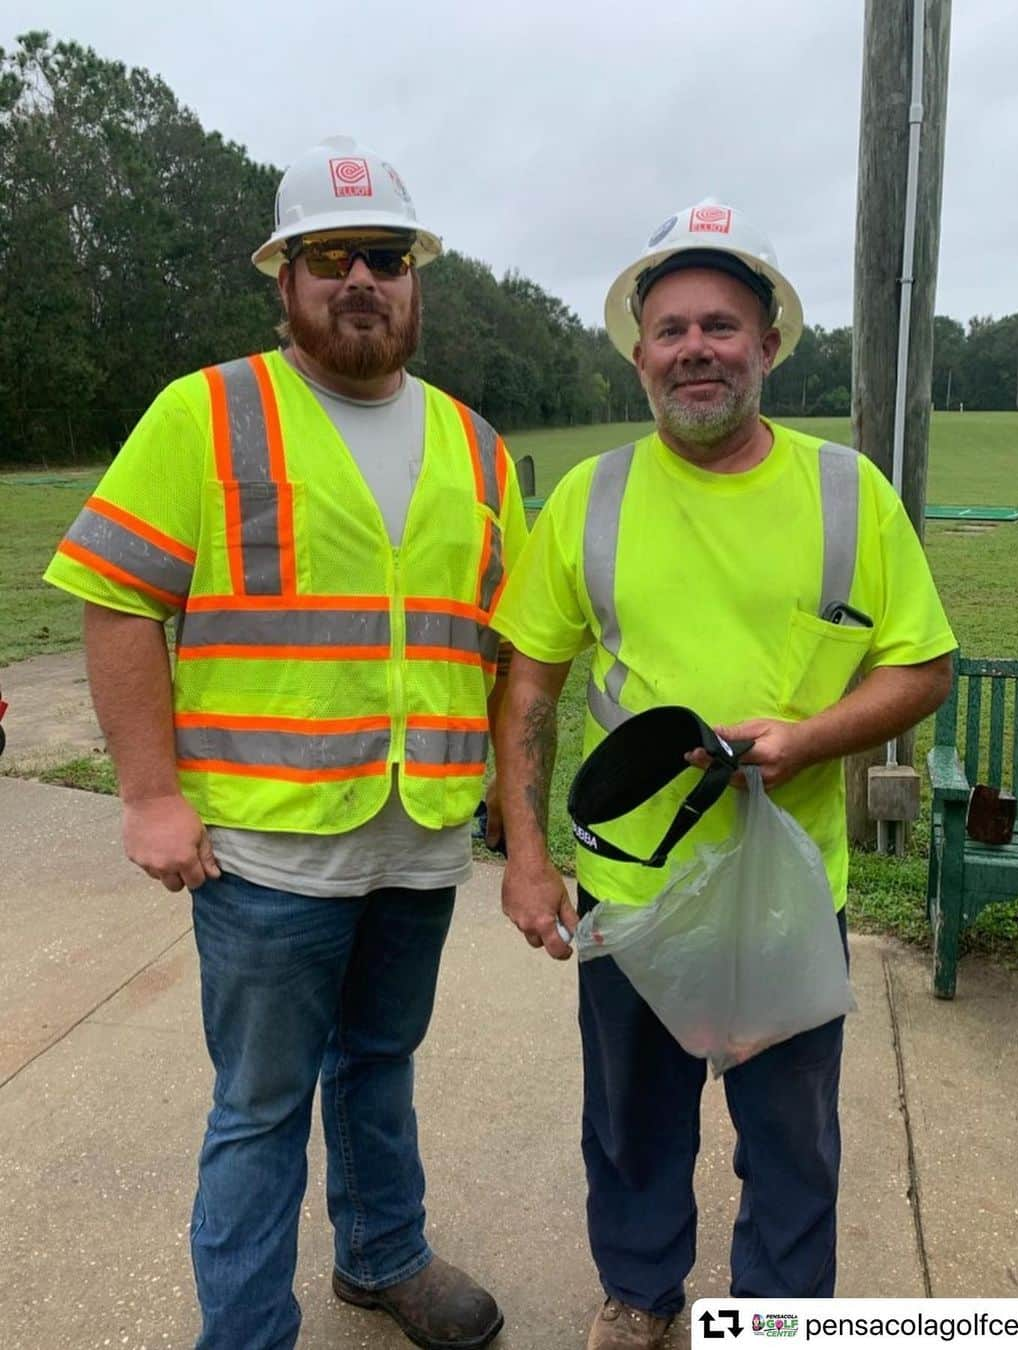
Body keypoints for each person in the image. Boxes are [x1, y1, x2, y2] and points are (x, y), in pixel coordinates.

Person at [44, 136, 523, 1350]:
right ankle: (248, 1333)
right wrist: (150, 796)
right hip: (265, 852)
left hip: (418, 839)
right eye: (330, 257)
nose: (360, 278)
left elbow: (510, 640)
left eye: (385, 256)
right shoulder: (206, 412)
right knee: (259, 1109)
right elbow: (116, 596)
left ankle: (382, 1258)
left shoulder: (475, 444)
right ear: (286, 278)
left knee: (381, 1063)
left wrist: (515, 808)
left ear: (416, 278)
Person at [491, 199, 956, 1349]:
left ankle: (777, 1320)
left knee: (791, 1137)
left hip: (788, 887)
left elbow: (925, 666)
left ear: (769, 343)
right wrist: (529, 859)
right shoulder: (591, 501)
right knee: (633, 1124)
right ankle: (640, 1300)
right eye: (672, 330)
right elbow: (531, 689)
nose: (696, 349)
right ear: (640, 352)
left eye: (723, 326)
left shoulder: (848, 491)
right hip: (633, 894)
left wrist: (809, 738)